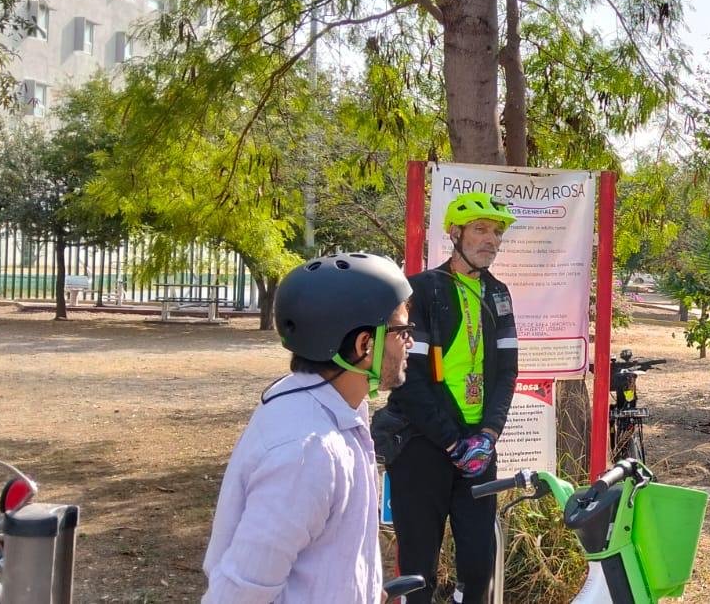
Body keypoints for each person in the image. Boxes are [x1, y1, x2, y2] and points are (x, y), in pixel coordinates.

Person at [204, 253, 414, 603]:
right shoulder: (307, 450)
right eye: (402, 331)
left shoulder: (335, 408)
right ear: (365, 345)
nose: (409, 343)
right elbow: (238, 591)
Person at [384, 192, 521, 604]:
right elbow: (408, 381)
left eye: (497, 233)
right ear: (455, 233)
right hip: (424, 446)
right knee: (418, 571)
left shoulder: (499, 293)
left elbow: (508, 371)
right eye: (481, 230)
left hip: (479, 448)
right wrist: (451, 440)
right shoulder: (422, 290)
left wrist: (488, 436)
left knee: (479, 567)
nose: (491, 240)